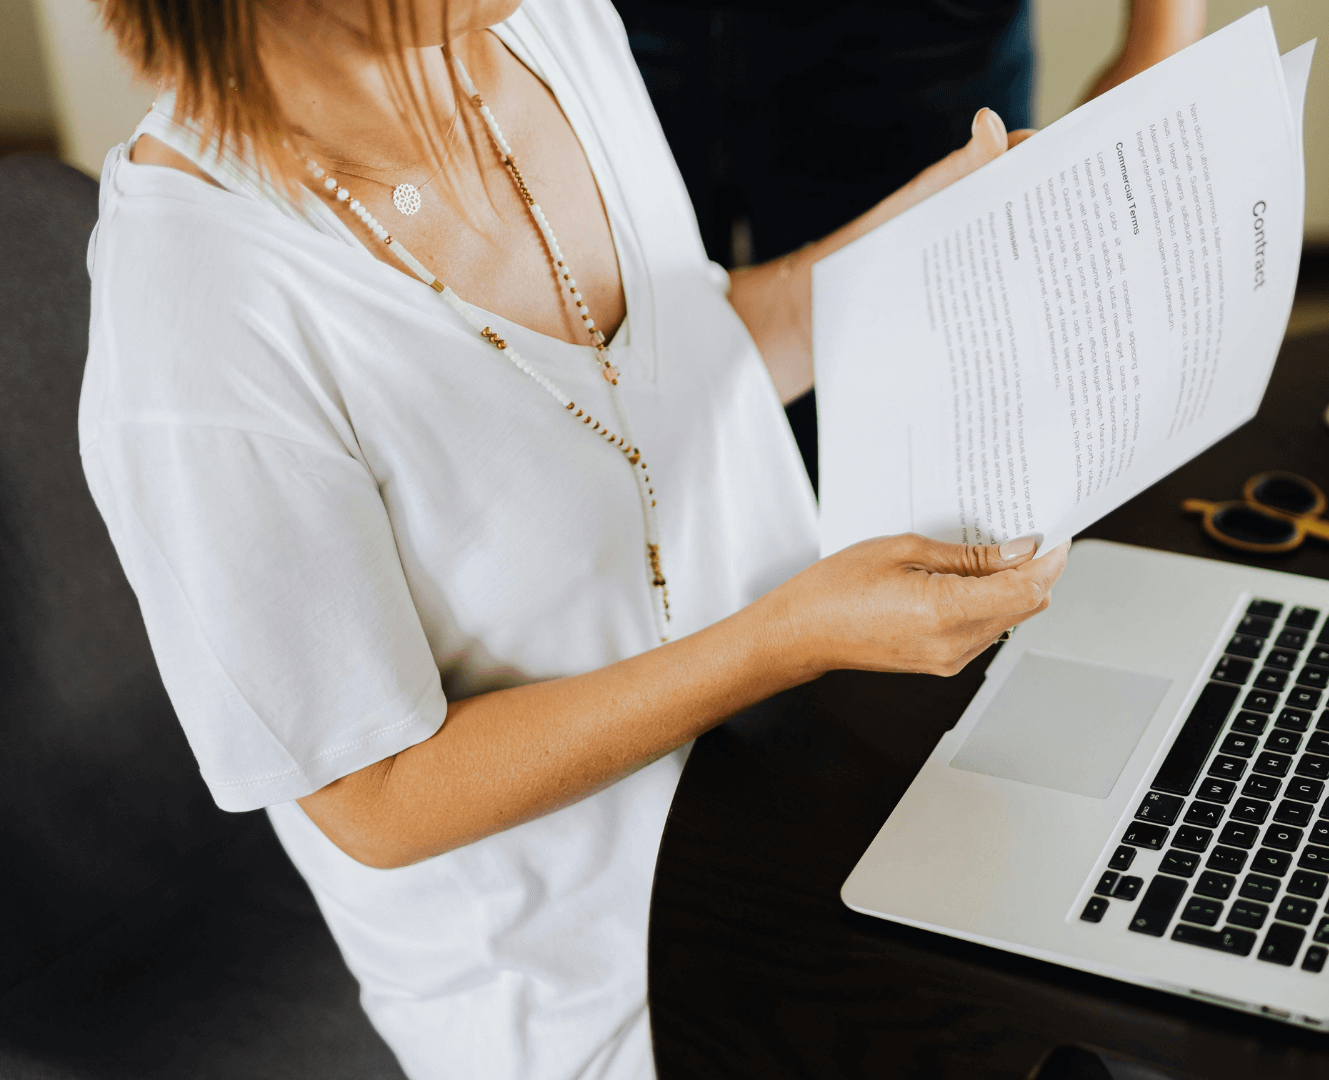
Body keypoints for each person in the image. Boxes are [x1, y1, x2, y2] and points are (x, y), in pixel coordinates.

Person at [81, 0, 1068, 1076]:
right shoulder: (198, 311)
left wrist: (928, 240)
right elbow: (375, 798)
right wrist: (781, 641)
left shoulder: (553, 28)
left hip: (821, 811)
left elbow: (685, 360)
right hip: (608, 993)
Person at [615, 0, 1206, 485]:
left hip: (931, 60)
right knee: (643, 402)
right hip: (644, 40)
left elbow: (1163, 39)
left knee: (903, 456)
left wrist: (1078, 184)